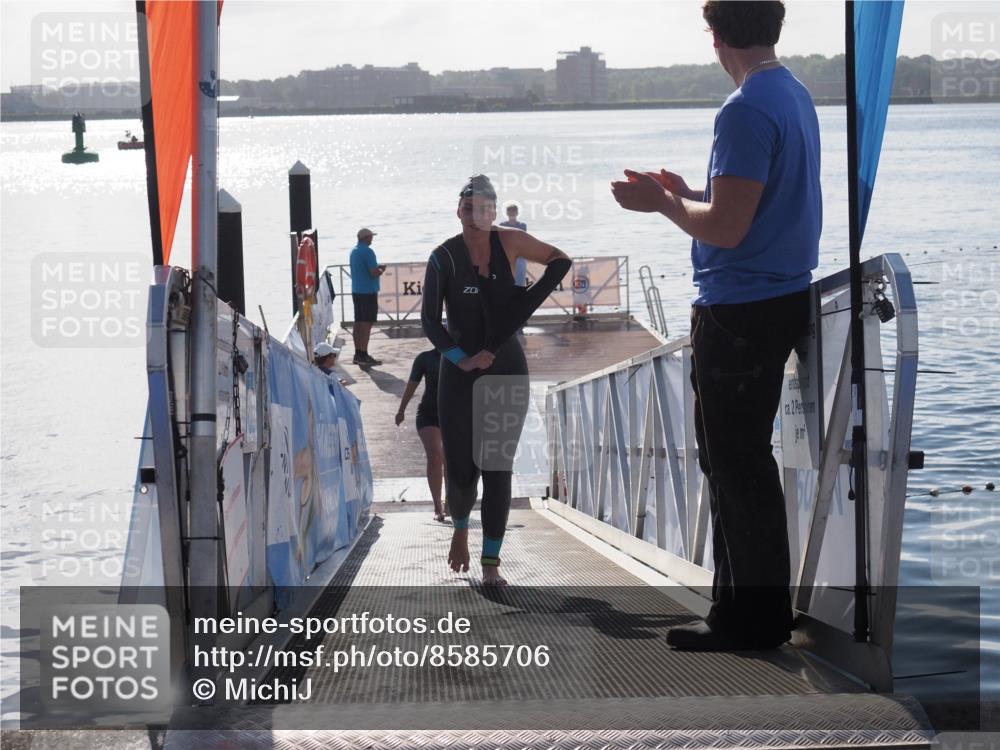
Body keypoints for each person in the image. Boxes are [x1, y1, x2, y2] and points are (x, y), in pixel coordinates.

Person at [611, 0, 820, 651]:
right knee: (743, 463)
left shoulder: (744, 109)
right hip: (778, 298)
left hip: (739, 312)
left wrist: (663, 202)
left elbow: (727, 230)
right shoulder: (793, 94)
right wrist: (691, 191)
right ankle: (748, 612)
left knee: (734, 464)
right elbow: (749, 209)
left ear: (716, 35)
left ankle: (748, 621)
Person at [421, 175, 571, 586]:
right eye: (469, 207)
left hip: (506, 366)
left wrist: (524, 305)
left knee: (498, 466)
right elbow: (430, 321)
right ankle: (460, 532)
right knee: (463, 466)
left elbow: (560, 260)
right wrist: (460, 358)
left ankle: (492, 564)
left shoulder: (511, 242)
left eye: (485, 208)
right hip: (459, 372)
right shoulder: (443, 257)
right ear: (459, 210)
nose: (477, 215)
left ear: (494, 210)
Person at [395, 349, 448, 522]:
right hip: (428, 413)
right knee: (435, 456)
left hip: (453, 415)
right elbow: (412, 384)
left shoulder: (462, 356)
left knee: (450, 461)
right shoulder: (425, 359)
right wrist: (401, 410)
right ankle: (437, 507)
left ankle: (450, 503)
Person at [349, 228, 387, 366]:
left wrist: (376, 268)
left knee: (358, 322)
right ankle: (363, 354)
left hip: (356, 291)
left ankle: (357, 353)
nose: (372, 239)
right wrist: (381, 269)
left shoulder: (354, 251)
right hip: (367, 293)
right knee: (366, 324)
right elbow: (373, 273)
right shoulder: (368, 252)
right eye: (371, 237)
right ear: (366, 238)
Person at [499, 203, 529, 287]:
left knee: (519, 282)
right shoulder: (502, 225)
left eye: (513, 213)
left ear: (517, 213)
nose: (512, 215)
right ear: (507, 214)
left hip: (519, 256)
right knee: (505, 281)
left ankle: (519, 297)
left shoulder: (522, 226)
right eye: (510, 213)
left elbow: (523, 241)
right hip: (506, 256)